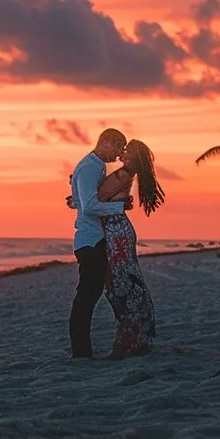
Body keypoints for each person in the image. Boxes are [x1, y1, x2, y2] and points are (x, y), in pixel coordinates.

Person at [94, 139, 164, 359]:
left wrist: (77, 194)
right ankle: (134, 340)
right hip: (118, 229)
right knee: (124, 285)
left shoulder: (123, 174)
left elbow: (99, 197)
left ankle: (126, 342)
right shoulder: (125, 174)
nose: (122, 152)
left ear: (132, 156)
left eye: (127, 150)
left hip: (116, 232)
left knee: (120, 286)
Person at [65, 129, 131, 358]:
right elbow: (91, 206)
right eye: (118, 147)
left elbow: (83, 200)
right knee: (86, 296)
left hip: (94, 238)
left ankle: (82, 350)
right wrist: (120, 207)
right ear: (105, 142)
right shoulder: (91, 167)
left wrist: (75, 200)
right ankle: (81, 352)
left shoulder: (97, 166)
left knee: (90, 295)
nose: (119, 153)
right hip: (90, 240)